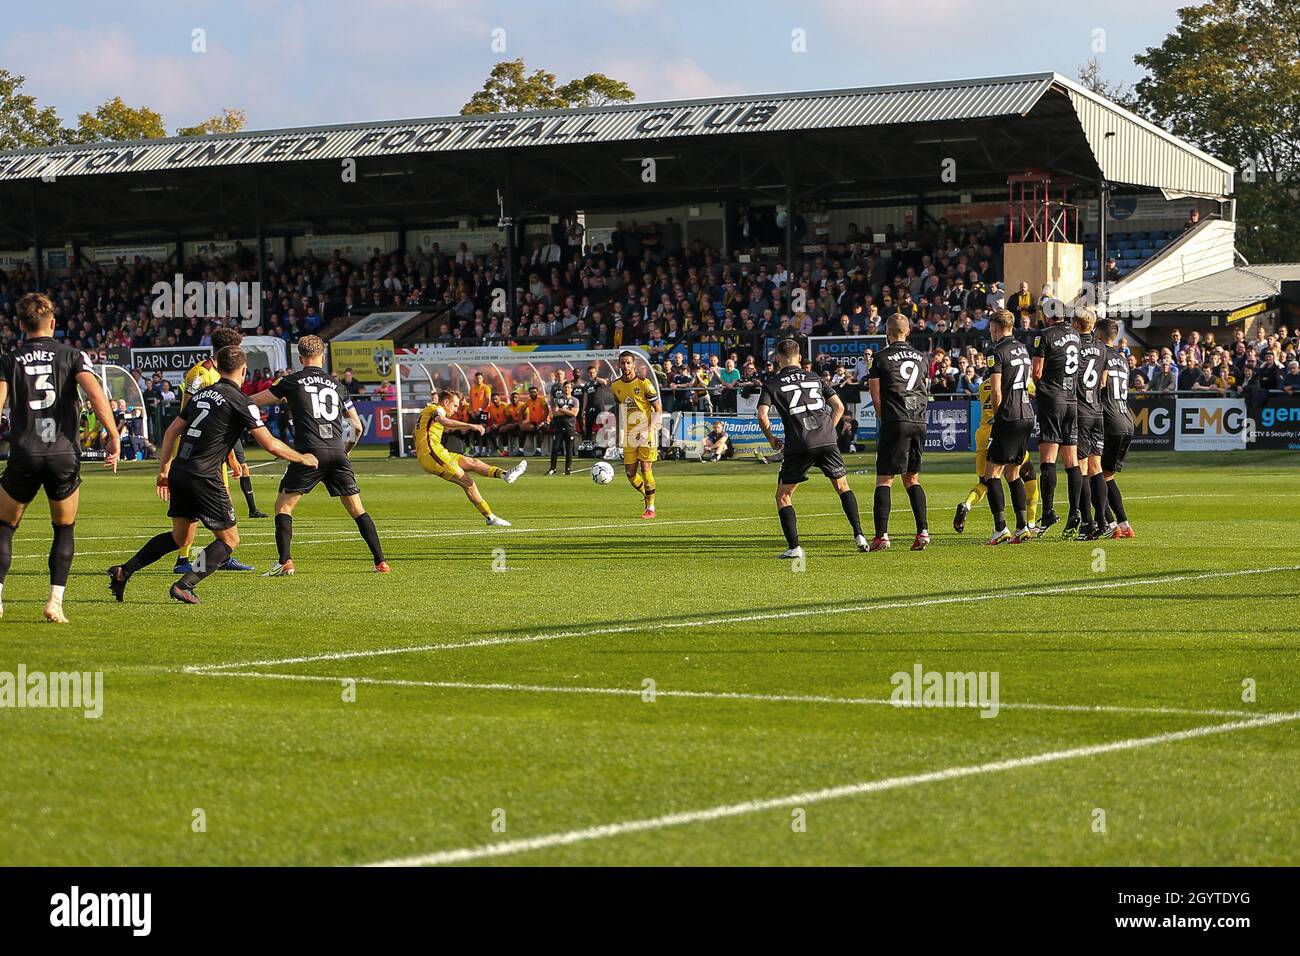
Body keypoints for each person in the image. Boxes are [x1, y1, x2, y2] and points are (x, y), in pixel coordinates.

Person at [108, 346, 317, 605]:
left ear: (218, 368)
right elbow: (270, 445)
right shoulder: (242, 400)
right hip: (204, 476)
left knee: (180, 538)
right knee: (229, 539)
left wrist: (163, 469)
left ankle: (123, 571)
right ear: (243, 371)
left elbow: (172, 431)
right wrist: (302, 457)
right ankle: (185, 585)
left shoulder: (202, 394)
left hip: (180, 471)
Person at [0, 292, 120, 623]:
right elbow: (95, 393)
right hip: (63, 453)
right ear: (52, 323)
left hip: (24, 451)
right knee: (64, 528)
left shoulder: (9, 360)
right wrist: (113, 435)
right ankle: (55, 602)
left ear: (21, 326)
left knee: (5, 526)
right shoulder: (72, 355)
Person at [251, 335, 389, 576]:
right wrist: (346, 451)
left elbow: (254, 402)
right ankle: (381, 562)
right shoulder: (338, 386)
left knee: (283, 506)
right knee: (358, 509)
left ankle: (285, 562)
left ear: (301, 358)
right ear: (323, 357)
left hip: (309, 453)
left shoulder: (291, 381)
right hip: (337, 452)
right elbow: (357, 426)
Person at [756, 337, 866, 558]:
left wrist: (771, 439)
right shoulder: (814, 377)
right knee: (842, 486)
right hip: (827, 440)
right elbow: (839, 406)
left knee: (783, 496)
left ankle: (795, 547)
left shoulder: (773, 383)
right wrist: (828, 430)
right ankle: (860, 535)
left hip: (800, 443)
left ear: (778, 358)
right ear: (799, 357)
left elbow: (762, 415)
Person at [414, 389, 526, 526]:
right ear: (446, 402)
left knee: (472, 462)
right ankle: (490, 517)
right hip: (433, 454)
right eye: (454, 406)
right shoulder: (438, 409)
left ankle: (505, 475)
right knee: (468, 483)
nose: (455, 410)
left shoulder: (429, 409)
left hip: (437, 452)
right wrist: (470, 425)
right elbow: (442, 420)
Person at [867, 314, 930, 551]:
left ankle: (881, 535)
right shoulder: (922, 357)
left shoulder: (880, 358)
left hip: (896, 419)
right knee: (912, 478)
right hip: (919, 420)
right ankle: (923, 532)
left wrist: (888, 420)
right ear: (908, 331)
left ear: (887, 331)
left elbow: (876, 398)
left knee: (885, 478)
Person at [981, 310, 1036, 545]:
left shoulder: (996, 351)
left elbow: (995, 390)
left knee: (991, 473)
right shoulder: (1023, 349)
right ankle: (1022, 526)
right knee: (1014, 472)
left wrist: (998, 415)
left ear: (994, 327)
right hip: (1027, 413)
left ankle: (1000, 528)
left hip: (1009, 415)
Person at [1031, 306, 1083, 534]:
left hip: (1052, 399)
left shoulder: (1044, 335)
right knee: (1072, 461)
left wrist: (1037, 388)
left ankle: (1048, 512)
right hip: (1072, 400)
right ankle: (1075, 512)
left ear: (1048, 316)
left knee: (1048, 460)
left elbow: (1037, 372)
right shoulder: (1075, 335)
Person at [1096, 319, 1136, 539]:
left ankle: (1110, 525)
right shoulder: (1122, 359)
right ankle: (1124, 524)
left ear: (1100, 336)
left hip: (1109, 419)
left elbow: (1101, 384)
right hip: (1126, 420)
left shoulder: (1100, 353)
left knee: (1093, 472)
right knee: (1107, 475)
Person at [611, 351, 661, 518]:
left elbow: (658, 409)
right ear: (619, 364)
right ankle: (647, 496)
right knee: (630, 474)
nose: (625, 366)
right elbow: (620, 410)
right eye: (622, 363)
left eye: (628, 363)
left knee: (646, 469)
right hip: (629, 434)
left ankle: (651, 508)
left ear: (634, 365)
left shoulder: (644, 383)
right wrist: (619, 432)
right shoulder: (615, 386)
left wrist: (648, 429)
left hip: (646, 432)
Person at [1072, 309, 1108, 539]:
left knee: (1082, 469)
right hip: (1097, 411)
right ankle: (1102, 521)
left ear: (1076, 324)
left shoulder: (1074, 347)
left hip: (1081, 411)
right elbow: (1102, 381)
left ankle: (1088, 523)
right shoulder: (1102, 347)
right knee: (1097, 469)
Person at [547, 380, 579, 475]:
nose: (567, 389)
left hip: (570, 427)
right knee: (555, 448)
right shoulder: (557, 399)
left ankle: (568, 469)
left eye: (569, 387)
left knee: (569, 450)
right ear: (562, 388)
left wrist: (561, 409)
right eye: (565, 387)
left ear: (571, 389)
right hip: (559, 427)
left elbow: (574, 413)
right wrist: (568, 410)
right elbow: (555, 413)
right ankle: (553, 468)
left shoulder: (575, 400)